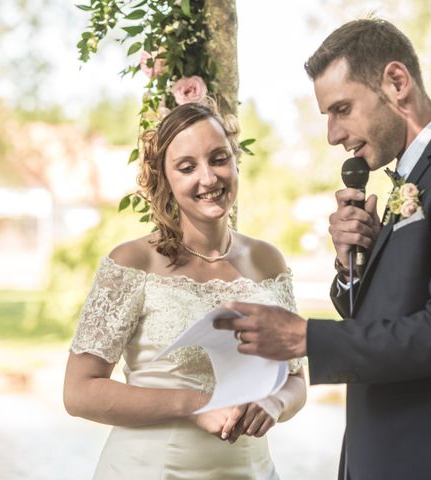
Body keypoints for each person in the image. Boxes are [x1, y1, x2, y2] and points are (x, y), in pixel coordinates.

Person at [214, 18, 431, 480]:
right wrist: (352, 267)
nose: (332, 135)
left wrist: (304, 338)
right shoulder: (413, 178)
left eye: (342, 109)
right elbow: (389, 318)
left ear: (396, 82)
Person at [63, 100, 306, 479]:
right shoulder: (132, 262)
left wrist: (274, 404)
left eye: (219, 158)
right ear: (165, 180)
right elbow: (78, 392)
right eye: (187, 167)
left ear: (235, 161)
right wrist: (196, 404)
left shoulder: (268, 261)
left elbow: (295, 379)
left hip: (251, 470)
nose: (208, 179)